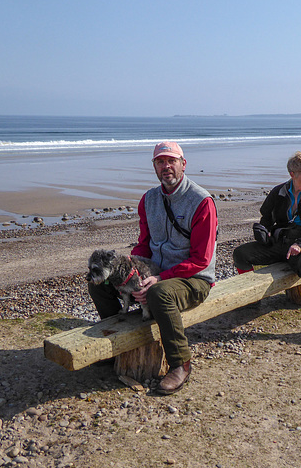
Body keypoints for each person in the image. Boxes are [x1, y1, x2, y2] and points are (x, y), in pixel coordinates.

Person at [88, 141, 217, 395]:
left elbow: (201, 259)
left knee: (160, 293)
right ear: (154, 167)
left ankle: (181, 364)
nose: (166, 166)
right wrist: (130, 268)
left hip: (193, 279)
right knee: (101, 284)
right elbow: (145, 245)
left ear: (183, 164)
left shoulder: (202, 202)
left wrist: (160, 278)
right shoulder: (148, 199)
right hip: (153, 274)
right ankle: (117, 344)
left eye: (171, 161)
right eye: (160, 161)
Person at [232, 151, 301, 341]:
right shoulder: (278, 192)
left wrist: (300, 243)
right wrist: (262, 230)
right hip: (281, 243)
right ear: (292, 175)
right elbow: (265, 218)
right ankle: (252, 301)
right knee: (241, 253)